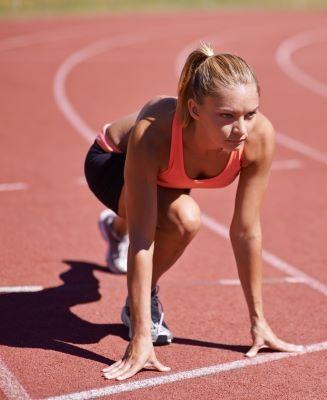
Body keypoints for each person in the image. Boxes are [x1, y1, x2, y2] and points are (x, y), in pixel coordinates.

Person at [84, 43, 303, 381]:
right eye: (227, 116)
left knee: (164, 210)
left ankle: (115, 230)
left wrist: (259, 322)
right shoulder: (154, 133)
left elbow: (246, 230)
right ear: (195, 109)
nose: (241, 129)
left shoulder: (257, 138)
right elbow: (144, 239)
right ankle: (139, 300)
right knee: (182, 219)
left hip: (168, 177)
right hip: (111, 161)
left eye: (250, 113)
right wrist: (140, 336)